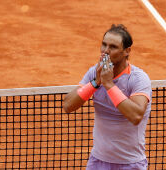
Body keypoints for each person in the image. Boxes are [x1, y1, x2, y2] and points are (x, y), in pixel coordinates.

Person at [63, 24, 152, 170]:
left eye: (113, 47)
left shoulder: (138, 79)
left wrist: (109, 84)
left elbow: (136, 116)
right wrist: (96, 82)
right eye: (104, 45)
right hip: (98, 162)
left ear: (126, 51)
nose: (106, 51)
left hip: (131, 164)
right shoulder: (94, 72)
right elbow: (68, 105)